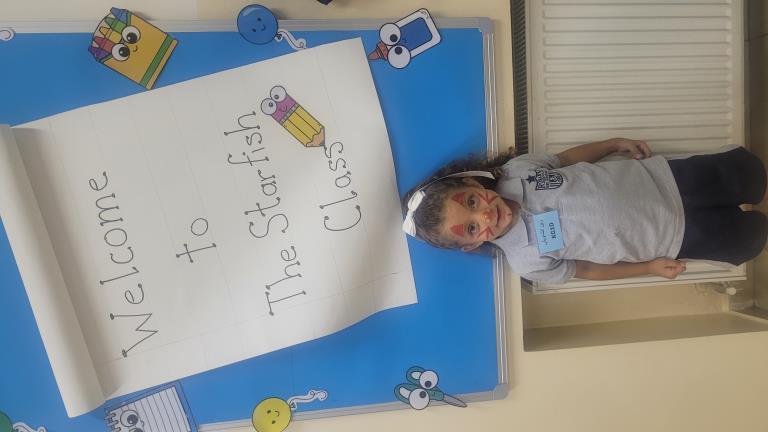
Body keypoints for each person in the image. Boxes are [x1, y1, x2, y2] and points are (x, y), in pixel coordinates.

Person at [401, 138, 768, 284]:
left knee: (748, 175)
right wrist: (649, 267)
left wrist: (612, 143)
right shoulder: (526, 262)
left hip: (669, 180)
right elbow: (589, 270)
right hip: (668, 236)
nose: (483, 216)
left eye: (470, 202)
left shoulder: (518, 171)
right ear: (470, 245)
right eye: (470, 229)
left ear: (472, 182)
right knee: (749, 238)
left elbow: (566, 159)